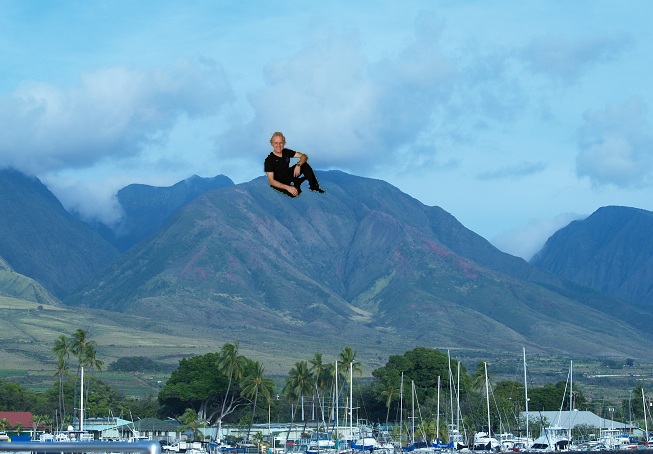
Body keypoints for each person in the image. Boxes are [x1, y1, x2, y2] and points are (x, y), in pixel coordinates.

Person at [264, 131, 325, 197]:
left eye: (280, 143)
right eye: (276, 143)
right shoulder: (268, 160)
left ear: (284, 143)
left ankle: (314, 186)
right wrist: (287, 187)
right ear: (272, 144)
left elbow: (304, 156)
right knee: (295, 194)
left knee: (304, 165)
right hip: (279, 182)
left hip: (288, 175)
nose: (278, 145)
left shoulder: (286, 152)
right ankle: (298, 182)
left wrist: (299, 165)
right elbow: (271, 181)